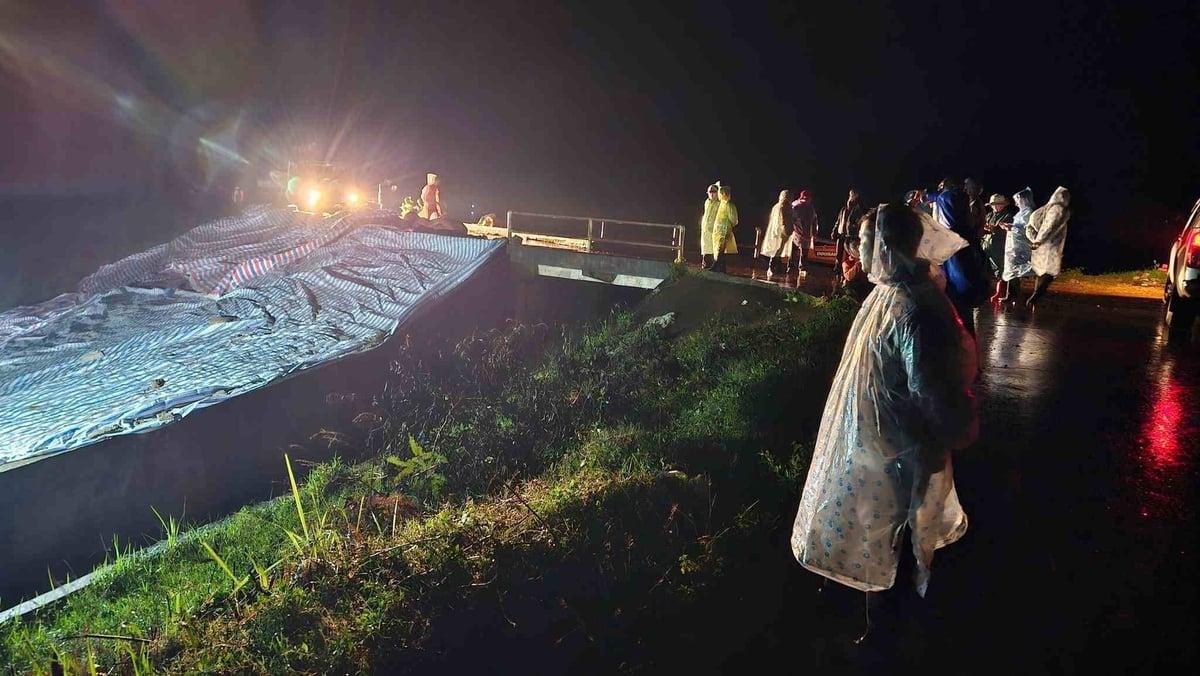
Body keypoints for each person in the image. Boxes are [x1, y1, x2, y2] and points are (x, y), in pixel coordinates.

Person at [792, 203, 977, 600]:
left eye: (863, 242)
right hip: (876, 445)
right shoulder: (889, 294)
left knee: (894, 544)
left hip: (901, 452)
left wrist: (952, 431)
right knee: (874, 532)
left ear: (885, 245)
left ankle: (886, 638)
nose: (857, 250)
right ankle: (873, 618)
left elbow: (931, 389)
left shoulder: (915, 309)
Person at [927, 177, 988, 336]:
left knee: (957, 304)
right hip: (965, 261)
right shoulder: (962, 204)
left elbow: (938, 197)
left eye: (942, 186)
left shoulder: (948, 198)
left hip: (956, 268)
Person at [1024, 186, 1071, 307]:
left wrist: (1035, 239)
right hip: (1050, 246)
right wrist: (1039, 240)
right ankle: (1036, 296)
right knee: (1047, 272)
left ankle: (1035, 296)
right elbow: (1049, 226)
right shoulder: (1057, 209)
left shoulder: (1046, 208)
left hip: (1042, 245)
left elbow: (1030, 227)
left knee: (1042, 272)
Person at [1000, 188, 1036, 302]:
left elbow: (1027, 228)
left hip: (1022, 245)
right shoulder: (1022, 212)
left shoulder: (1029, 212)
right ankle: (1011, 294)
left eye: (1018, 200)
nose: (1016, 203)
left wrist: (1011, 227)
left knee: (1018, 268)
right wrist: (1009, 226)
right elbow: (1018, 226)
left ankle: (1017, 294)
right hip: (1014, 244)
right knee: (1012, 268)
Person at [984, 194, 1017, 303]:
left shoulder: (1008, 216)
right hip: (986, 245)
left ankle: (1000, 292)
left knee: (1000, 269)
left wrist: (995, 229)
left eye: (998, 204)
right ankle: (988, 292)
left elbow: (1009, 231)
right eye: (994, 205)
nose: (996, 207)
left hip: (999, 246)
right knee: (986, 269)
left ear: (1003, 205)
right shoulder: (989, 215)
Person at [759, 189, 795, 277]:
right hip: (782, 232)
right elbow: (783, 219)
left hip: (780, 231)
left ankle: (776, 267)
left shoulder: (778, 206)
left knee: (779, 249)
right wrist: (785, 228)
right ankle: (773, 267)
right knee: (778, 249)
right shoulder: (783, 206)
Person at [833, 189, 864, 280]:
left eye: (853, 195)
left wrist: (854, 229)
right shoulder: (843, 209)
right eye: (850, 195)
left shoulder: (859, 210)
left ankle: (846, 275)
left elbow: (860, 223)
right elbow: (838, 221)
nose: (851, 197)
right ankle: (837, 271)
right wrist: (834, 231)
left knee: (849, 257)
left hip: (851, 238)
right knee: (838, 255)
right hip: (841, 235)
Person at [709, 184, 739, 272]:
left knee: (720, 249)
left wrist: (728, 226)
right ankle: (721, 267)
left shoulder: (729, 205)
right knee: (719, 249)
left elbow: (734, 219)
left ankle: (716, 265)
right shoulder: (723, 203)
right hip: (719, 230)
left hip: (723, 231)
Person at [790, 189, 819, 275]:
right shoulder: (795, 206)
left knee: (804, 254)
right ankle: (791, 267)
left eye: (808, 198)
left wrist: (814, 233)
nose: (806, 200)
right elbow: (791, 219)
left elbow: (814, 221)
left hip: (806, 235)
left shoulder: (810, 208)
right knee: (794, 252)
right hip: (796, 233)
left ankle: (801, 268)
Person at [699, 183, 720, 268]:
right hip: (705, 230)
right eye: (710, 192)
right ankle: (704, 264)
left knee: (714, 250)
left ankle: (714, 266)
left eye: (714, 192)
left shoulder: (719, 203)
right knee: (705, 248)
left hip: (714, 231)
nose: (711, 194)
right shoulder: (707, 202)